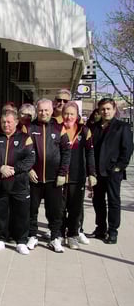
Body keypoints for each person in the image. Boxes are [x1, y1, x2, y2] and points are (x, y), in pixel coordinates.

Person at [0, 110, 35, 255]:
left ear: (16, 122)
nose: (6, 124)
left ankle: (21, 241)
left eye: (9, 122)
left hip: (19, 183)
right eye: (3, 122)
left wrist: (14, 170)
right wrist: (0, 167)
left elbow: (30, 159)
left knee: (21, 213)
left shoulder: (25, 138)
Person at [27, 99, 71, 252]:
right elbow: (23, 153)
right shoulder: (29, 128)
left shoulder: (60, 128)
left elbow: (66, 152)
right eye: (40, 110)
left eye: (46, 110)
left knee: (55, 210)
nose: (43, 113)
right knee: (32, 209)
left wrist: (62, 173)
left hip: (54, 179)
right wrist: (28, 169)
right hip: (34, 178)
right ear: (36, 111)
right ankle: (32, 235)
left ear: (52, 111)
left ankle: (55, 237)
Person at [91, 98, 133, 244]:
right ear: (99, 111)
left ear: (114, 109)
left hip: (113, 172)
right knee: (98, 201)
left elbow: (127, 149)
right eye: (103, 109)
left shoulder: (122, 127)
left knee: (113, 201)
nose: (105, 111)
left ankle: (113, 231)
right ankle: (100, 228)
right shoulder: (95, 127)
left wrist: (118, 168)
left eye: (108, 108)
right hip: (97, 172)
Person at [60, 102, 96, 249]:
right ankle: (59, 234)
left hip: (77, 176)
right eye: (66, 114)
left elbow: (90, 153)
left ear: (77, 116)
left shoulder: (84, 131)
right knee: (59, 208)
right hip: (60, 176)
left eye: (72, 114)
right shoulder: (57, 129)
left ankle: (73, 235)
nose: (69, 117)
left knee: (75, 208)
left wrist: (91, 173)